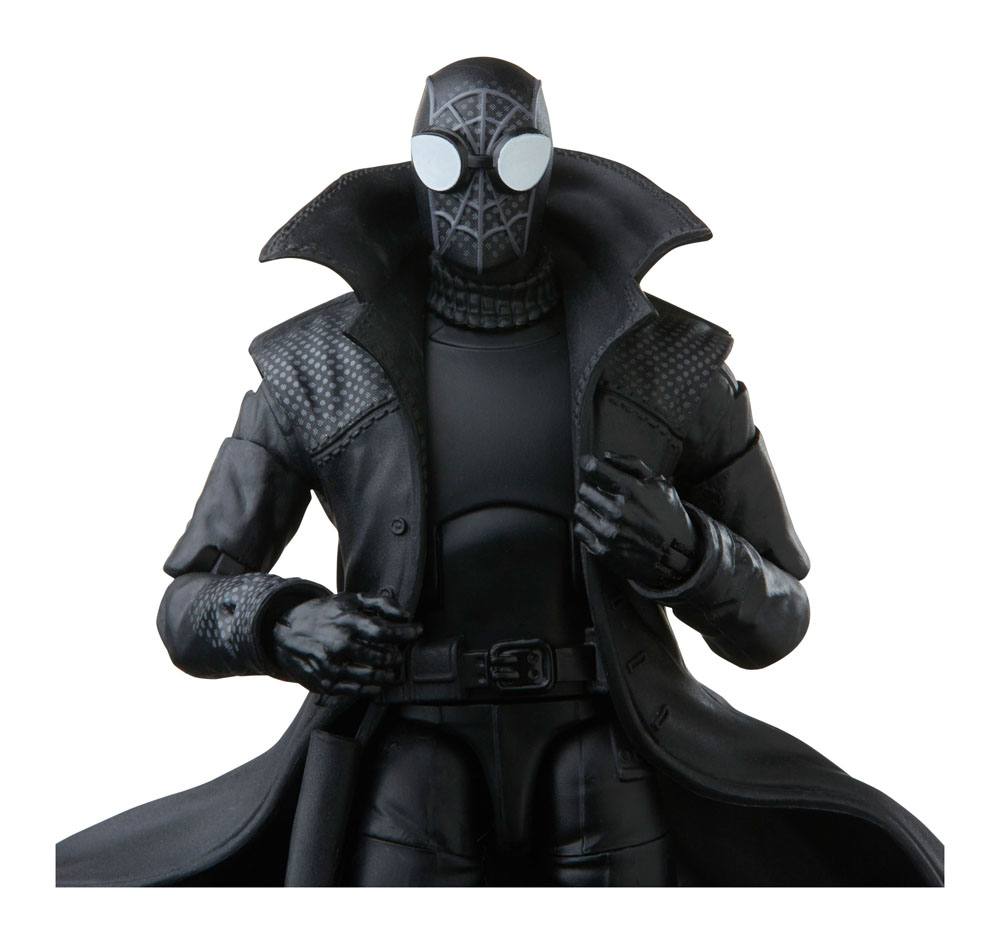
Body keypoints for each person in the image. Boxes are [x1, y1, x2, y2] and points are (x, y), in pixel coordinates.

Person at [56, 56, 943, 886]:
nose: (479, 193)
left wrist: (689, 551)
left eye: (514, 161)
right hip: (408, 751)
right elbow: (186, 606)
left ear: (550, 170)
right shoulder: (317, 366)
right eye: (445, 164)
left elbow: (780, 616)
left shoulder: (668, 362)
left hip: (607, 749)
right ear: (414, 172)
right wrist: (284, 620)